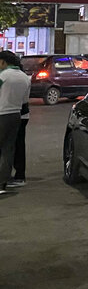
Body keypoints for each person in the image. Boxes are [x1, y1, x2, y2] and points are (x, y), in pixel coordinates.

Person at [0, 50, 31, 194]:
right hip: (16, 115)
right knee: (8, 149)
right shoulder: (25, 78)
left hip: (1, 114)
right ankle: (2, 183)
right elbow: (25, 101)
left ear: (3, 62)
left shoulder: (3, 76)